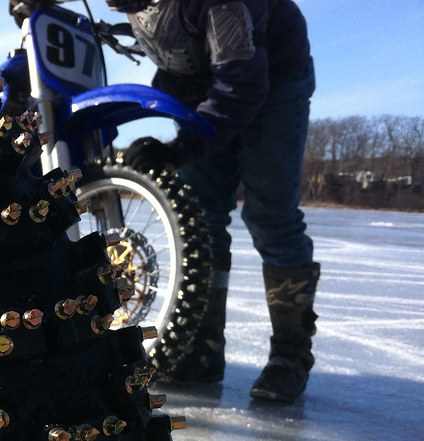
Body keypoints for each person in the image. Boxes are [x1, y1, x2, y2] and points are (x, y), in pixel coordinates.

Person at [107, 0, 319, 402]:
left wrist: (180, 148)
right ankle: (200, 350)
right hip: (203, 84)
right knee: (200, 215)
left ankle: (290, 356)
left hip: (273, 80)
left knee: (271, 215)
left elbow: (242, 83)